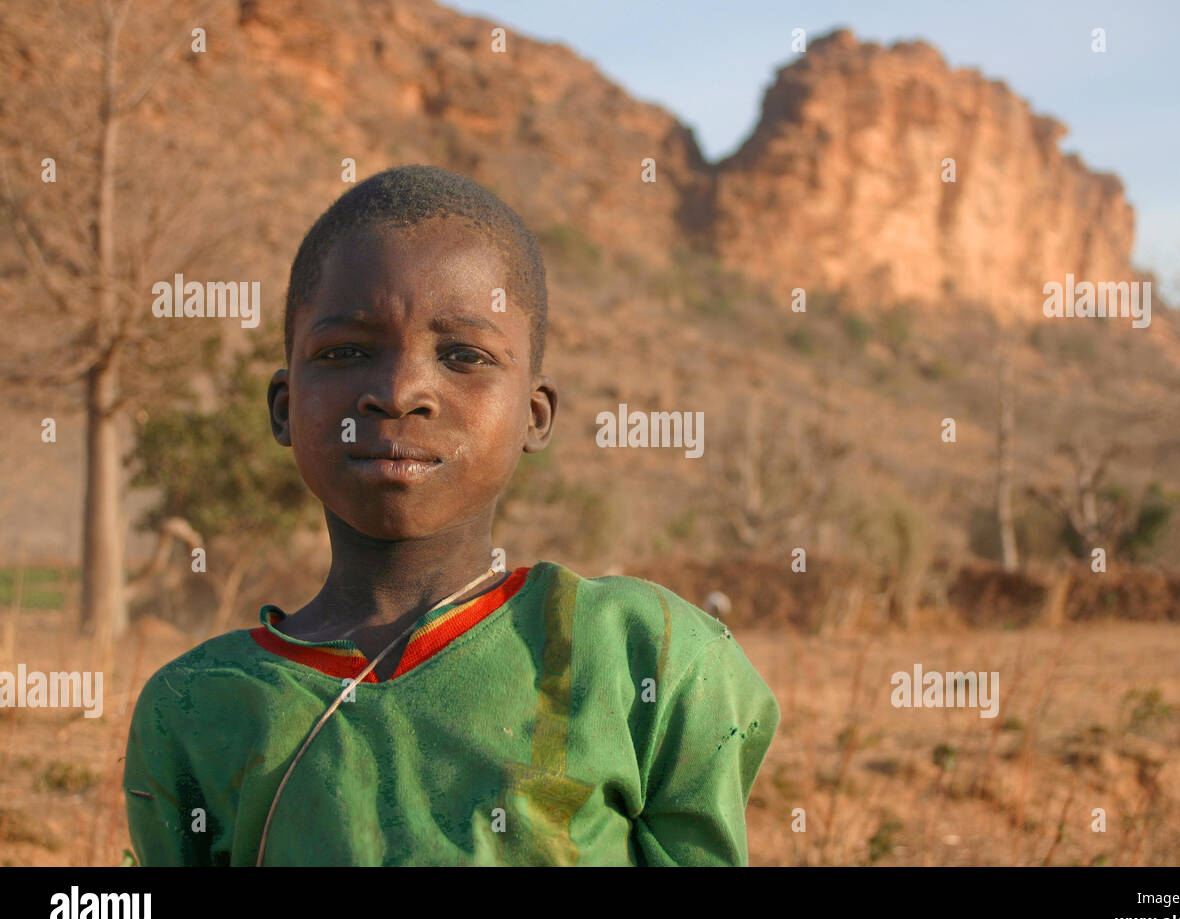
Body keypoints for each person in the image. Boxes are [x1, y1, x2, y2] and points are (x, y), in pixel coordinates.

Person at [122, 165, 780, 865]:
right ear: (285, 407)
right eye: (345, 352)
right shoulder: (193, 708)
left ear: (535, 413)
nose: (401, 392)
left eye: (464, 355)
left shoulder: (647, 656)